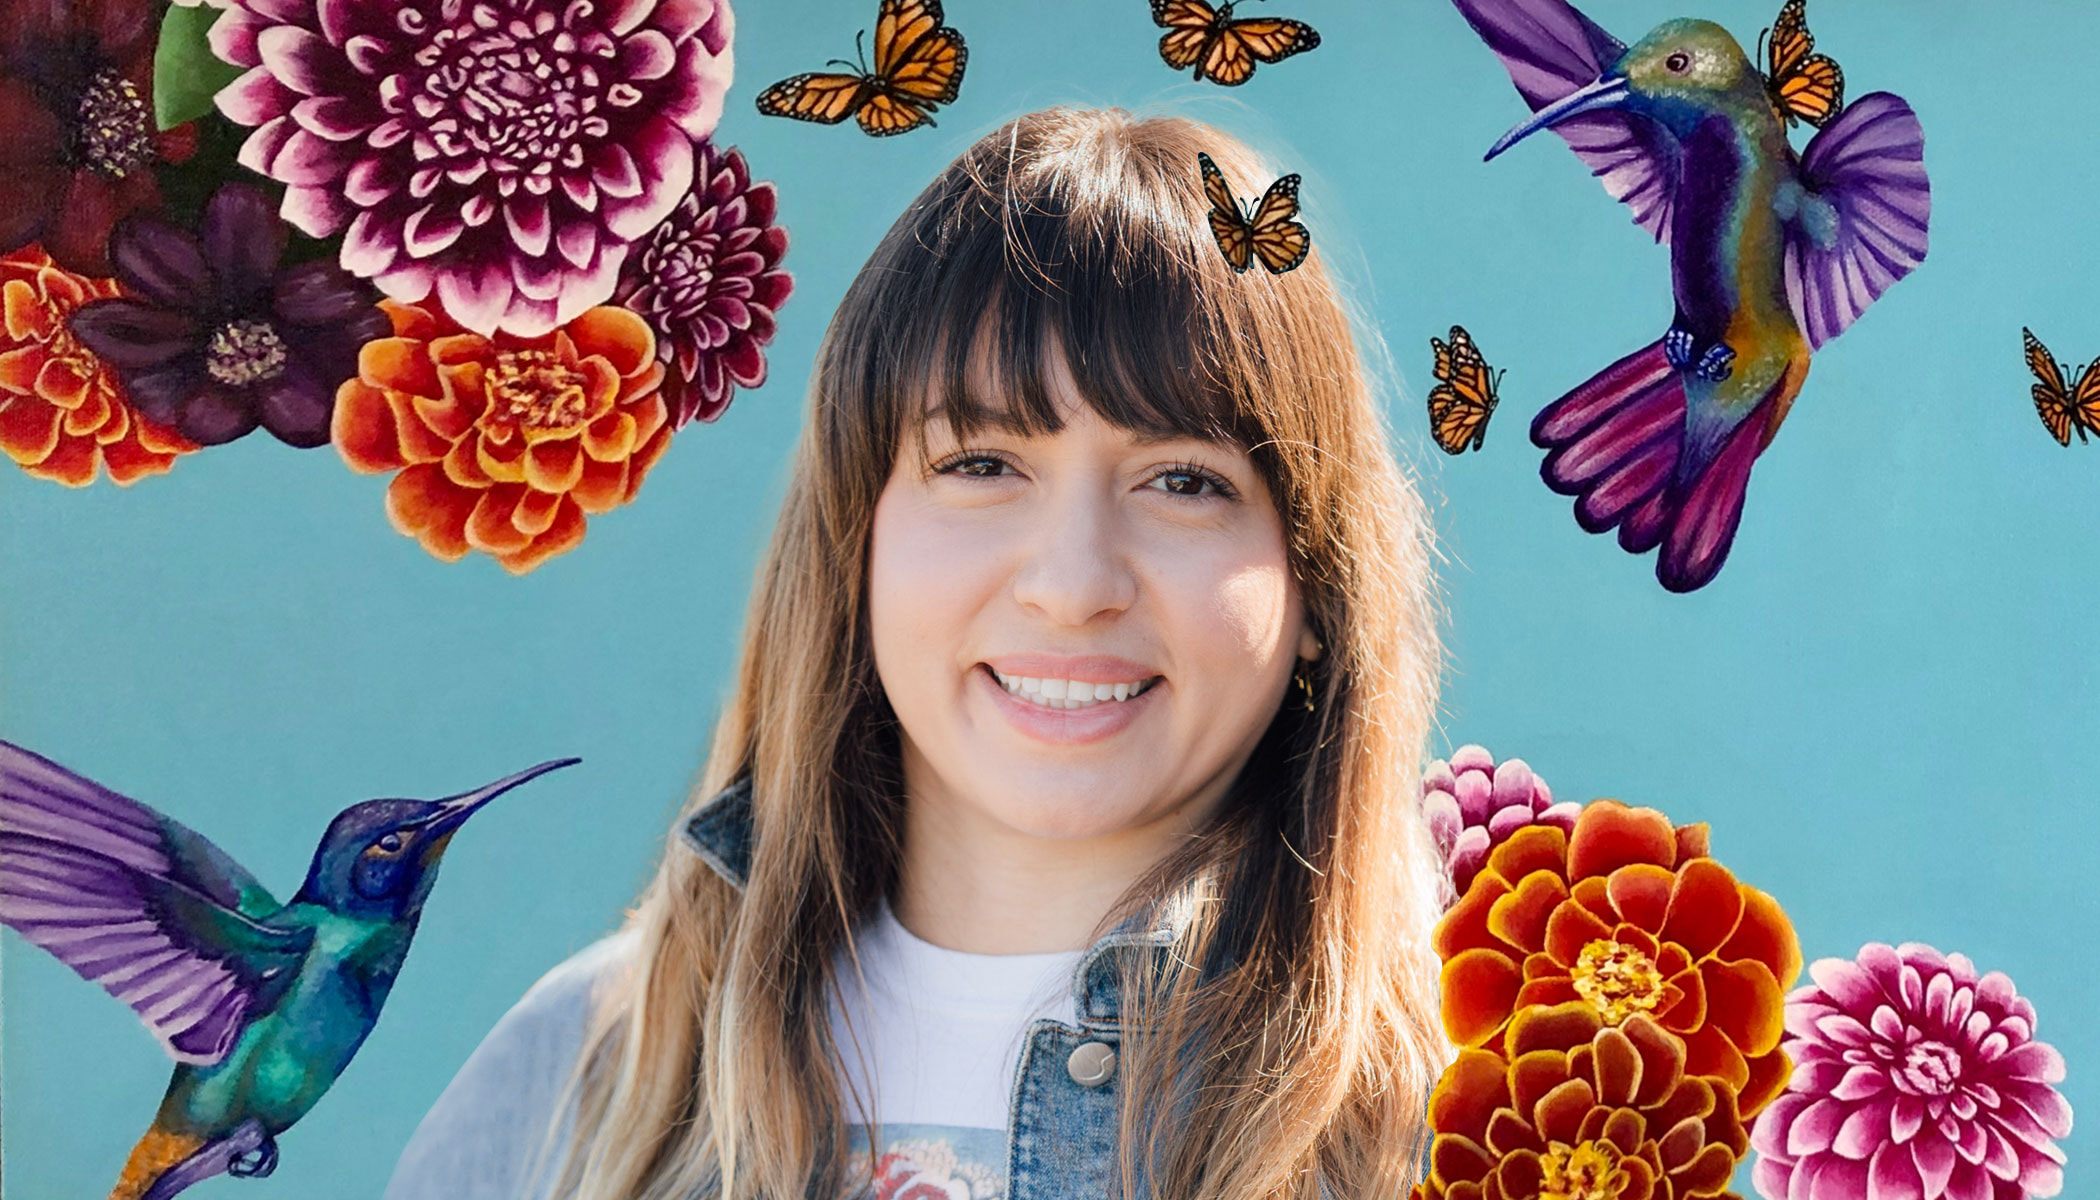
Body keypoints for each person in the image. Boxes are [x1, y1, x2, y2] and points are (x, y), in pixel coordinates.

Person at [384, 105, 1451, 1200]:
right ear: (856, 542)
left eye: (1184, 482)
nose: (1072, 585)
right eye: (982, 464)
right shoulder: (574, 1079)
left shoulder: (1475, 1115)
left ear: (1316, 582)